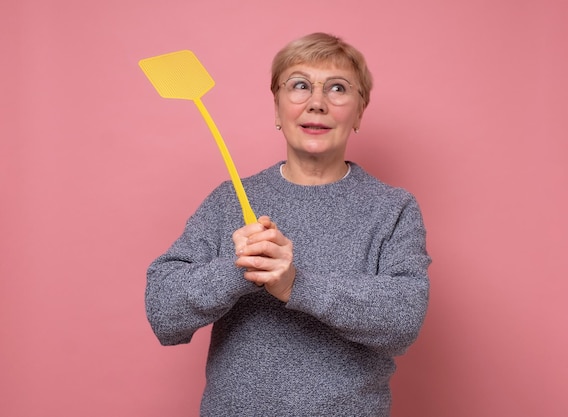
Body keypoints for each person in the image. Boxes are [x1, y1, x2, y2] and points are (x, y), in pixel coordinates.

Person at [146, 32, 431, 416]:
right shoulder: (228, 200)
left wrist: (296, 284)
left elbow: (402, 321)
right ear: (277, 108)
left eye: (338, 88)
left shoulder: (393, 209)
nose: (317, 103)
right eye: (299, 86)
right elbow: (164, 314)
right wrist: (240, 268)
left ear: (360, 111)